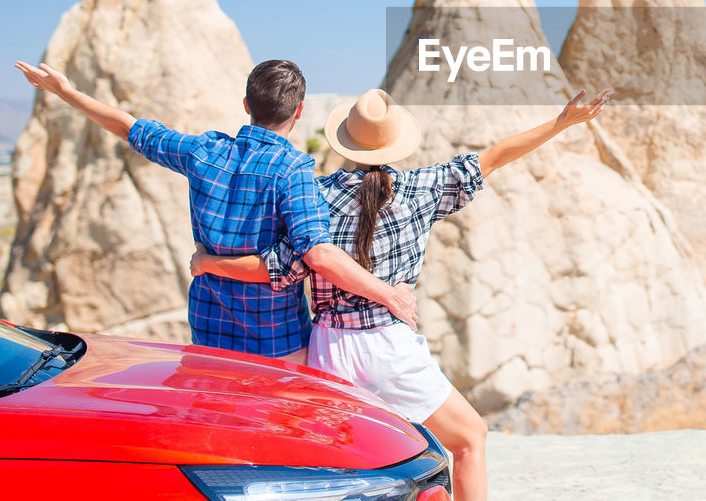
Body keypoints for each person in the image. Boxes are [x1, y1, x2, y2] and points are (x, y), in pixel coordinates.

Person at [192, 85, 612, 501]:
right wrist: (561, 123)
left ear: (344, 142)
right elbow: (496, 156)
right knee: (469, 439)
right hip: (386, 348)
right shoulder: (419, 189)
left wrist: (207, 262)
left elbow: (273, 268)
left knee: (346, 467)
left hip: (325, 350)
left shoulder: (313, 196)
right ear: (393, 145)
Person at [13, 58, 417, 362]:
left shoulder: (204, 152)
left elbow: (129, 128)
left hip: (209, 332)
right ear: (299, 111)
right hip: (277, 339)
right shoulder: (293, 169)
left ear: (246, 104)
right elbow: (318, 253)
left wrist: (66, 92)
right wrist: (390, 296)